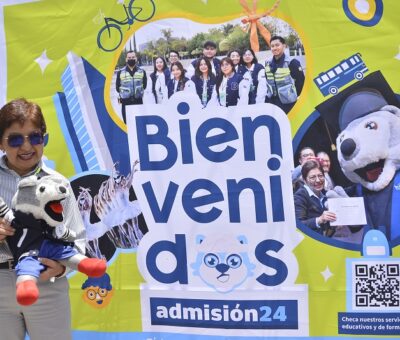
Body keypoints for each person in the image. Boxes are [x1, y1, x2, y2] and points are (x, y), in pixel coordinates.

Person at [0, 98, 86, 340]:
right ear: (1, 143)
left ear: (44, 139)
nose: (26, 146)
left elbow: (77, 239)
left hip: (47, 285)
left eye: (35, 137)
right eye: (15, 139)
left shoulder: (59, 184)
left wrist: (59, 269)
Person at [257, 35, 305, 113]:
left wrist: (292, 96)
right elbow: (268, 81)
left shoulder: (292, 62)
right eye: (272, 46)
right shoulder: (267, 63)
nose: (274, 48)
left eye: (277, 45)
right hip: (272, 103)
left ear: (284, 46)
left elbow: (301, 82)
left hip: (289, 103)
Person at [294, 159, 337, 236]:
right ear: (305, 180)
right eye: (313, 177)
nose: (318, 180)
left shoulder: (325, 193)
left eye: (320, 176)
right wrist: (320, 219)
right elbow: (299, 225)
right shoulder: (300, 196)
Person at [115, 50, 147, 123]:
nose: (131, 59)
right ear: (126, 59)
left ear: (136, 58)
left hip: (138, 102)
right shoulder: (120, 72)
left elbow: (144, 86)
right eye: (129, 57)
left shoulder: (142, 71)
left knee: (140, 124)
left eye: (133, 57)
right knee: (127, 124)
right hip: (125, 103)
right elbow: (117, 88)